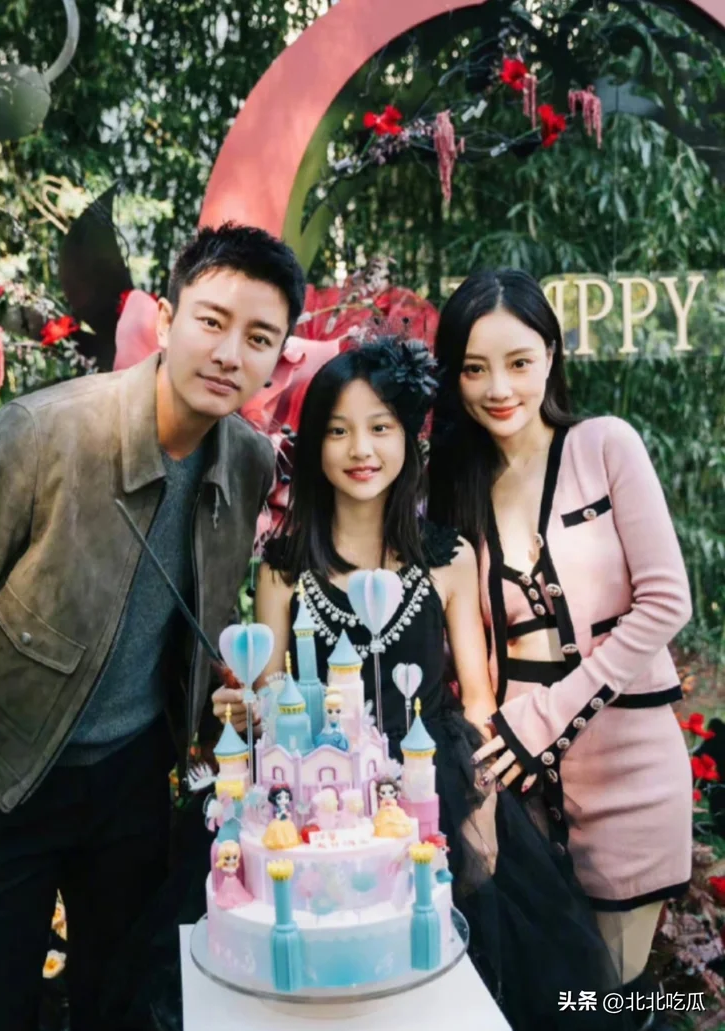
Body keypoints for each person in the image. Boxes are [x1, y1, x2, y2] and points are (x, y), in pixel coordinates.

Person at [0, 222, 306, 1031]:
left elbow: (205, 602)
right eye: (211, 321)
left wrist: (216, 700)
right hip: (2, 777)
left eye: (258, 337)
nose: (228, 353)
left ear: (278, 357)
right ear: (165, 320)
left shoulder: (246, 459)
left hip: (130, 783)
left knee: (121, 1003)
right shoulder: (41, 435)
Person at [217, 338, 628, 1030]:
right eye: (338, 431)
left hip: (433, 778)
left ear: (409, 439)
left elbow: (479, 698)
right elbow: (271, 699)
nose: (361, 449)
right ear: (314, 447)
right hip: (323, 795)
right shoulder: (283, 569)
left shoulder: (449, 557)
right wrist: (241, 710)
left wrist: (484, 809)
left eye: (380, 427)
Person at [428, 268, 693, 1021]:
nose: (498, 388)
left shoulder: (605, 445)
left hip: (629, 772)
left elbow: (666, 601)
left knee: (605, 997)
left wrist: (542, 720)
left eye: (518, 361)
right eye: (474, 369)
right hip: (518, 785)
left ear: (551, 354)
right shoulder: (456, 484)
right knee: (544, 996)